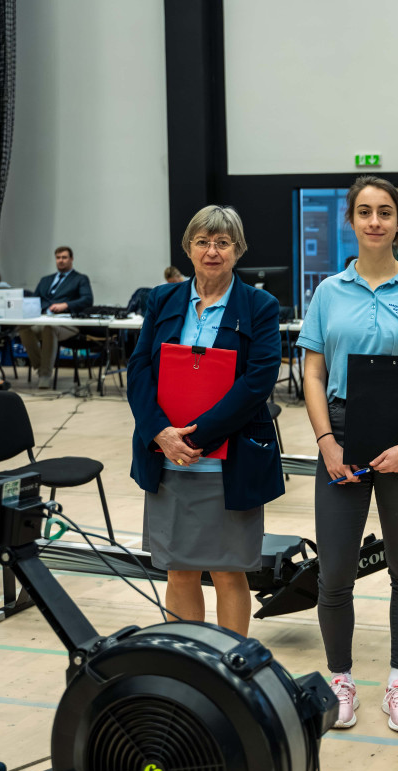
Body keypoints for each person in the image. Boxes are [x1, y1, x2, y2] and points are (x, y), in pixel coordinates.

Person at [298, 176, 398, 733]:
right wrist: (326, 442)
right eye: (364, 211)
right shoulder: (328, 292)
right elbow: (312, 373)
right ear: (351, 220)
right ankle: (341, 680)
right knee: (335, 570)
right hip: (341, 433)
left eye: (384, 212)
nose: (374, 221)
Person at [127, 205, 284, 638]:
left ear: (238, 250)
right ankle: (191, 660)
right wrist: (160, 433)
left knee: (228, 572)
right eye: (202, 242)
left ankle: (231, 663)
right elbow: (139, 369)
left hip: (228, 463)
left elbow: (258, 381)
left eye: (222, 243)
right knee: (178, 570)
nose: (212, 251)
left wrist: (196, 438)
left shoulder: (260, 306)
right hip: (168, 459)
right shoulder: (162, 300)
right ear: (188, 248)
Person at [17, 246, 93, 389]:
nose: (61, 260)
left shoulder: (80, 279)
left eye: (64, 257)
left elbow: (87, 300)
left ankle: (45, 375)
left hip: (67, 324)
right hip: (44, 319)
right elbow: (34, 300)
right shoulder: (46, 280)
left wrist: (66, 305)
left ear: (71, 259)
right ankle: (40, 367)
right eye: (58, 258)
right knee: (23, 328)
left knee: (49, 328)